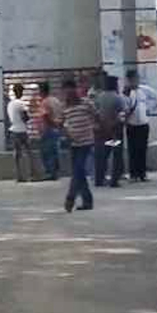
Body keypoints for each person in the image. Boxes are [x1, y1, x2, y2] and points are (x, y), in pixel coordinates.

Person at [61, 78, 96, 212]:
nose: (69, 95)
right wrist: (65, 133)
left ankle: (70, 198)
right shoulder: (64, 107)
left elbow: (96, 115)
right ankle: (87, 201)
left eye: (71, 92)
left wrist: (97, 127)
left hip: (86, 142)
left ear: (75, 90)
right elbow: (61, 123)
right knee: (79, 172)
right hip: (73, 143)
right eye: (66, 93)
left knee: (78, 170)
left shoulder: (86, 103)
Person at [122, 68, 157, 182]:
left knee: (142, 149)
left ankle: (142, 173)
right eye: (132, 79)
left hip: (143, 124)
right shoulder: (126, 92)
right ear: (128, 80)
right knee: (132, 150)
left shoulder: (144, 90)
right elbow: (124, 108)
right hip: (131, 124)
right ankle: (133, 174)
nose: (135, 81)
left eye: (136, 78)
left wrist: (149, 109)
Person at [93, 75, 125, 187]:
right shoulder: (118, 98)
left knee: (102, 156)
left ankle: (99, 179)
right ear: (115, 85)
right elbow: (121, 115)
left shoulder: (98, 97)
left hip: (101, 132)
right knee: (116, 155)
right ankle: (114, 180)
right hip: (114, 132)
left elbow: (95, 114)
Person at [6, 83, 34, 182]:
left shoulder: (10, 104)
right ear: (21, 92)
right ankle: (31, 175)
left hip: (13, 130)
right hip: (22, 130)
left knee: (17, 155)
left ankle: (18, 176)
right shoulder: (21, 104)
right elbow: (25, 117)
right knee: (28, 153)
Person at [37, 82, 64, 181]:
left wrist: (51, 124)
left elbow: (45, 116)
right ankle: (55, 172)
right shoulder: (56, 100)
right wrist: (58, 125)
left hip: (48, 130)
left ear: (42, 91)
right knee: (55, 151)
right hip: (57, 130)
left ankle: (50, 173)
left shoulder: (45, 102)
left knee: (47, 152)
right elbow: (62, 114)